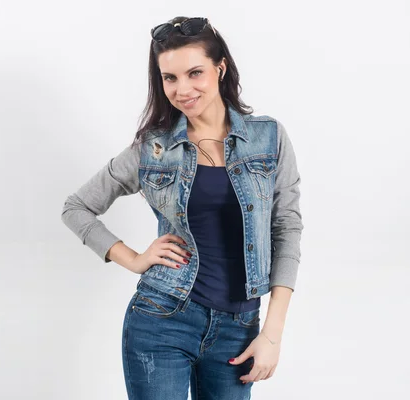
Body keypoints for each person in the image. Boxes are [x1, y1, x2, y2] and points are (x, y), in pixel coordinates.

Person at [61, 16, 303, 400]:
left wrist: (271, 333)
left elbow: (286, 229)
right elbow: (76, 208)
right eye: (169, 78)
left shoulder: (268, 138)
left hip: (240, 327)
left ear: (220, 68)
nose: (182, 89)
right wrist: (134, 258)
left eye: (195, 73)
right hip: (162, 317)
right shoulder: (153, 149)